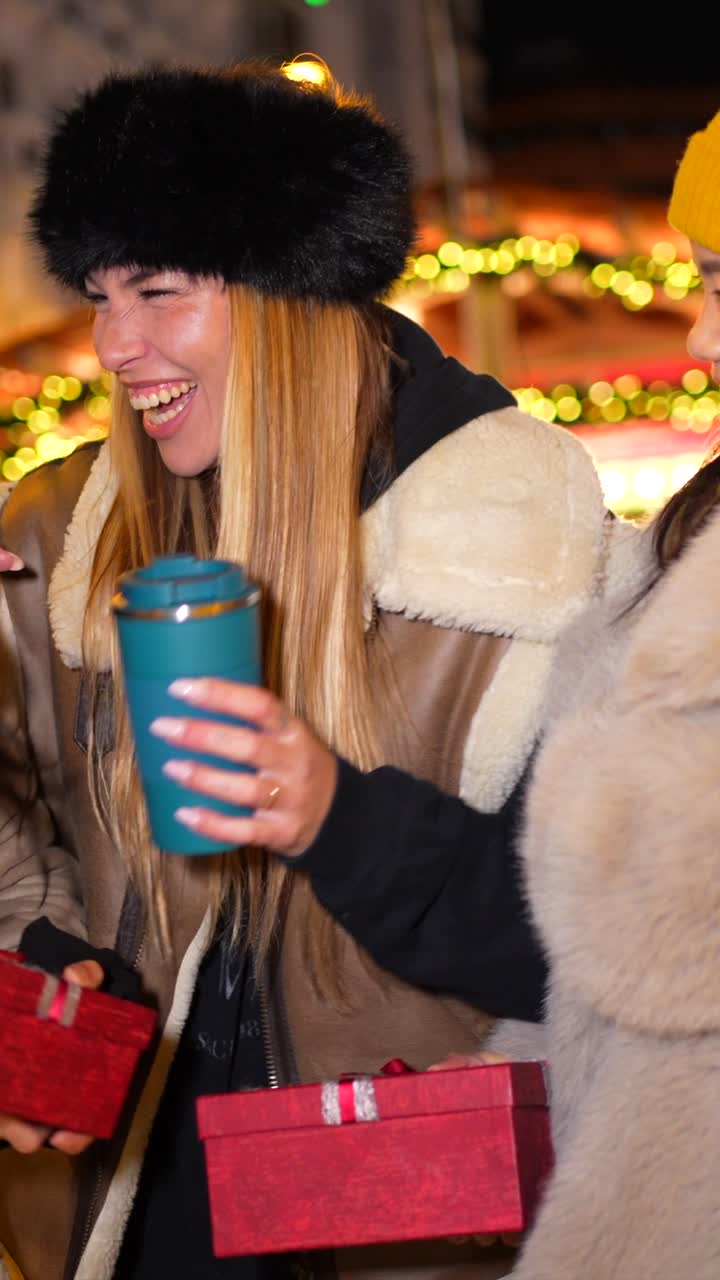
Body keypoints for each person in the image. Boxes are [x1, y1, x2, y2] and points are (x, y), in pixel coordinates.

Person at [0, 64, 613, 1280]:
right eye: (102, 297)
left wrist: (340, 819)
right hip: (134, 1207)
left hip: (414, 1218)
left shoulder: (535, 562)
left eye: (160, 292)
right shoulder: (62, 532)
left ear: (287, 301)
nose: (115, 345)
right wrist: (40, 958)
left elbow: (610, 935)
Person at [207, 114, 720, 1278]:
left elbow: (649, 930)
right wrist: (539, 1070)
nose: (699, 328)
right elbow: (595, 964)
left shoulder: (541, 553)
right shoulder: (680, 554)